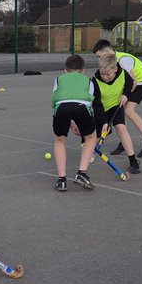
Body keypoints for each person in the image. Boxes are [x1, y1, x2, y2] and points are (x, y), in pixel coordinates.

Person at [92, 40, 142, 158]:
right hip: (133, 84)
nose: (99, 60)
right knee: (122, 111)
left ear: (106, 51)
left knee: (128, 110)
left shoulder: (121, 60)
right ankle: (124, 142)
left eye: (99, 56)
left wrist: (125, 96)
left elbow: (133, 82)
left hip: (141, 82)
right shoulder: (112, 61)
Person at [90, 42, 141, 174]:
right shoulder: (95, 81)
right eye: (102, 74)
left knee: (121, 128)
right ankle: (90, 154)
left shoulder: (123, 73)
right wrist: (104, 123)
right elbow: (97, 105)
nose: (105, 77)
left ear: (115, 69)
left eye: (108, 74)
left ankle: (133, 160)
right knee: (97, 135)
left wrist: (125, 95)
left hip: (116, 106)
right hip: (101, 110)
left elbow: (130, 84)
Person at [51, 54, 97, 191]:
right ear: (83, 70)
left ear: (65, 70)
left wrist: (70, 125)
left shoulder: (58, 79)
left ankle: (61, 180)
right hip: (82, 107)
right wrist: (83, 125)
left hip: (61, 109)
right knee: (90, 137)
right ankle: (82, 173)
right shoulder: (88, 81)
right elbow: (89, 103)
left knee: (60, 140)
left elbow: (56, 102)